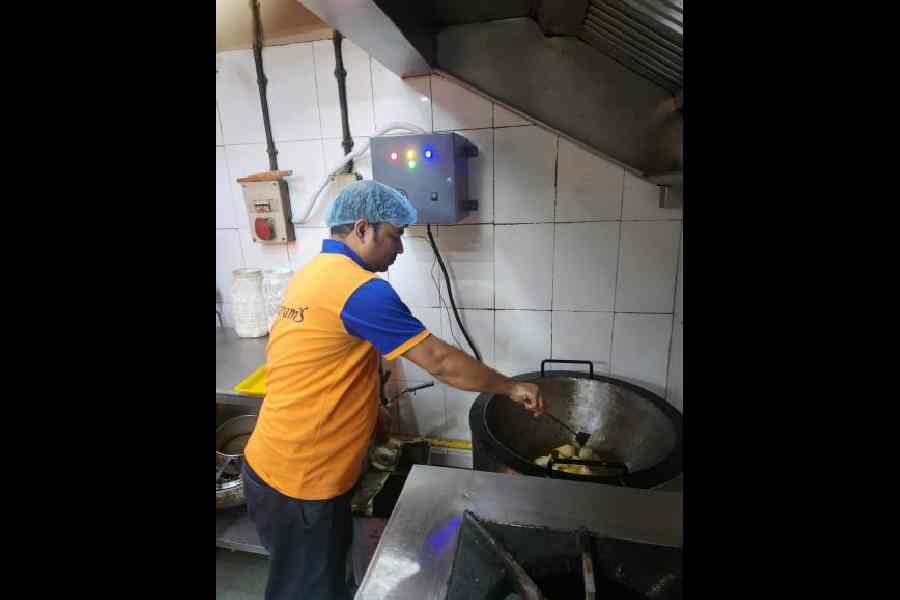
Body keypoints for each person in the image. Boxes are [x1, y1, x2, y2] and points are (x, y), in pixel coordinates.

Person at [241, 180, 545, 600]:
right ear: (363, 228)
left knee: (317, 580)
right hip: (303, 482)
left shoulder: (316, 272)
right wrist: (510, 387)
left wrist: (372, 413)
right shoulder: (362, 290)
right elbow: (439, 361)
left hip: (272, 467)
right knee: (308, 590)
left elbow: (332, 360)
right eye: (396, 235)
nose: (399, 249)